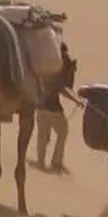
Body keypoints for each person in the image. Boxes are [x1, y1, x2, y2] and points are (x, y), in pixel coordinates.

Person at [34, 43, 77, 174]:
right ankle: (56, 162)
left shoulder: (45, 66)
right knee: (62, 132)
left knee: (43, 134)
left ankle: (41, 161)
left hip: (41, 105)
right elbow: (62, 88)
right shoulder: (60, 67)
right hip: (52, 107)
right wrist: (77, 100)